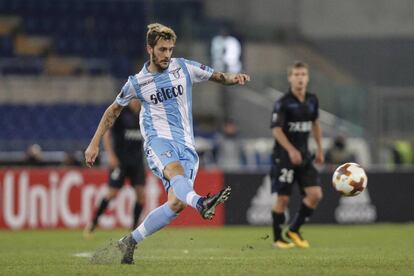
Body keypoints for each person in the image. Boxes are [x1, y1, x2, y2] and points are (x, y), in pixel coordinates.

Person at [84, 23, 250, 264]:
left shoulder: (184, 68)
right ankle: (202, 202)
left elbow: (218, 76)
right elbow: (113, 111)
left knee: (177, 203)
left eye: (170, 49)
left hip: (187, 145)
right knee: (175, 174)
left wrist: (233, 79)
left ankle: (130, 241)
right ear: (149, 49)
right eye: (162, 49)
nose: (167, 55)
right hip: (158, 141)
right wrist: (94, 143)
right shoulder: (137, 82)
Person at [269, 61, 324, 249]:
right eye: (296, 74)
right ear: (290, 78)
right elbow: (276, 130)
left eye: (303, 74)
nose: (300, 78)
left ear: (307, 78)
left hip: (305, 155)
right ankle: (278, 238)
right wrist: (291, 150)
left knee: (315, 194)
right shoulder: (283, 103)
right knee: (283, 198)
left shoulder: (312, 100)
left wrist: (320, 149)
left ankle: (294, 229)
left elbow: (315, 124)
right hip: (284, 156)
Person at [83, 99, 146, 238]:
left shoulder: (144, 113)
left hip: (137, 162)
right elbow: (107, 133)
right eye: (134, 99)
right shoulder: (122, 113)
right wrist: (110, 155)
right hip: (120, 161)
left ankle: (133, 230)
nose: (136, 102)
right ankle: (93, 222)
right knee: (112, 193)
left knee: (141, 195)